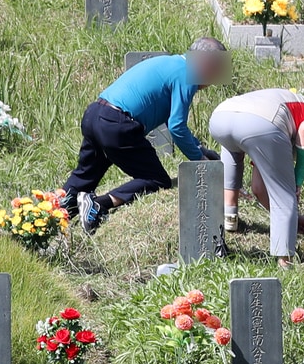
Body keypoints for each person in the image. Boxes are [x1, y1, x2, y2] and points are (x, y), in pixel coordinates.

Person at [62, 38, 231, 235]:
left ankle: (50, 219)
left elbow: (170, 118)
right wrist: (200, 160)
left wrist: (200, 148)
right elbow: (177, 126)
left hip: (95, 114)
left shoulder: (171, 63)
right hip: (118, 123)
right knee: (156, 179)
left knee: (84, 176)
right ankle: (99, 204)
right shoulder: (187, 74)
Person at [207, 88, 304, 267]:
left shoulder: (277, 132)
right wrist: (298, 180)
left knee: (233, 153)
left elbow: (259, 188)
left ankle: (230, 219)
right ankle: (285, 262)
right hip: (261, 124)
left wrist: (294, 218)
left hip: (220, 118)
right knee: (285, 194)